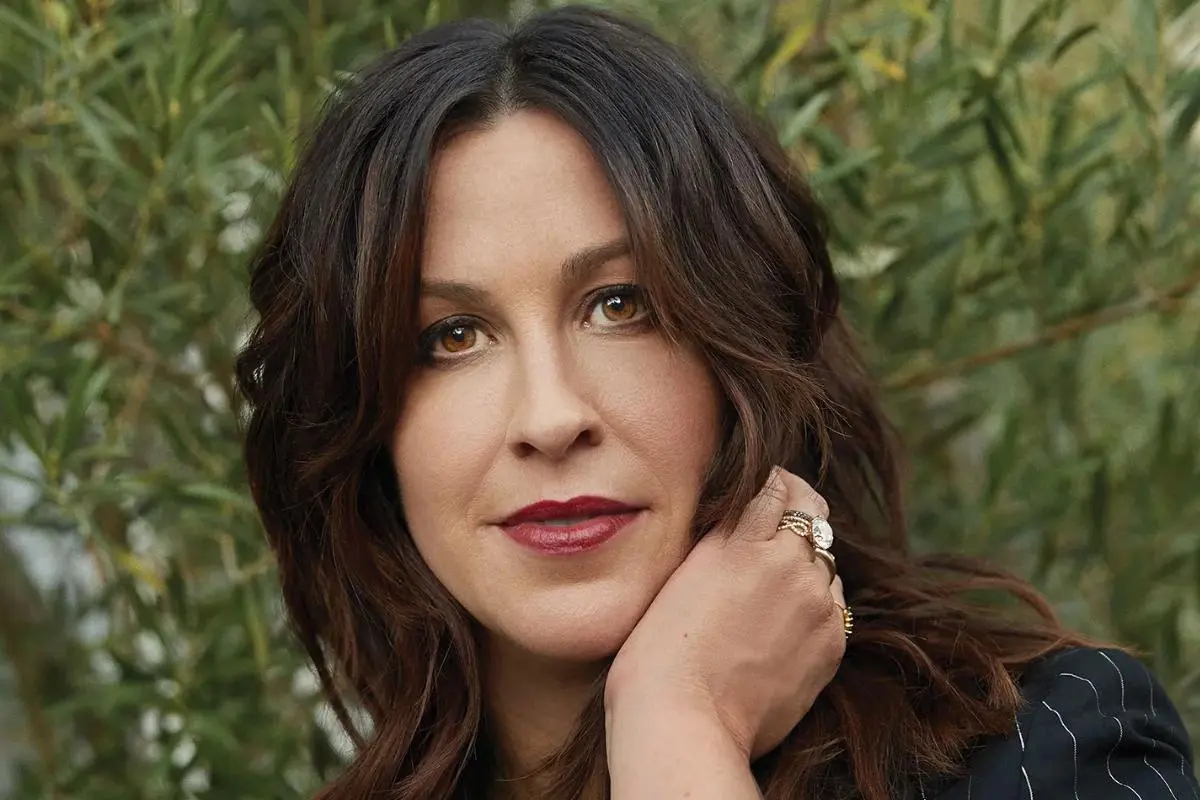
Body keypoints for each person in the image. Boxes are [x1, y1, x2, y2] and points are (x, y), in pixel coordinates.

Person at [233, 6, 1199, 799]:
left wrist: (678, 726)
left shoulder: (1053, 749)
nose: (549, 415)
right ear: (363, 429)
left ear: (739, 343)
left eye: (621, 305)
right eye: (451, 337)